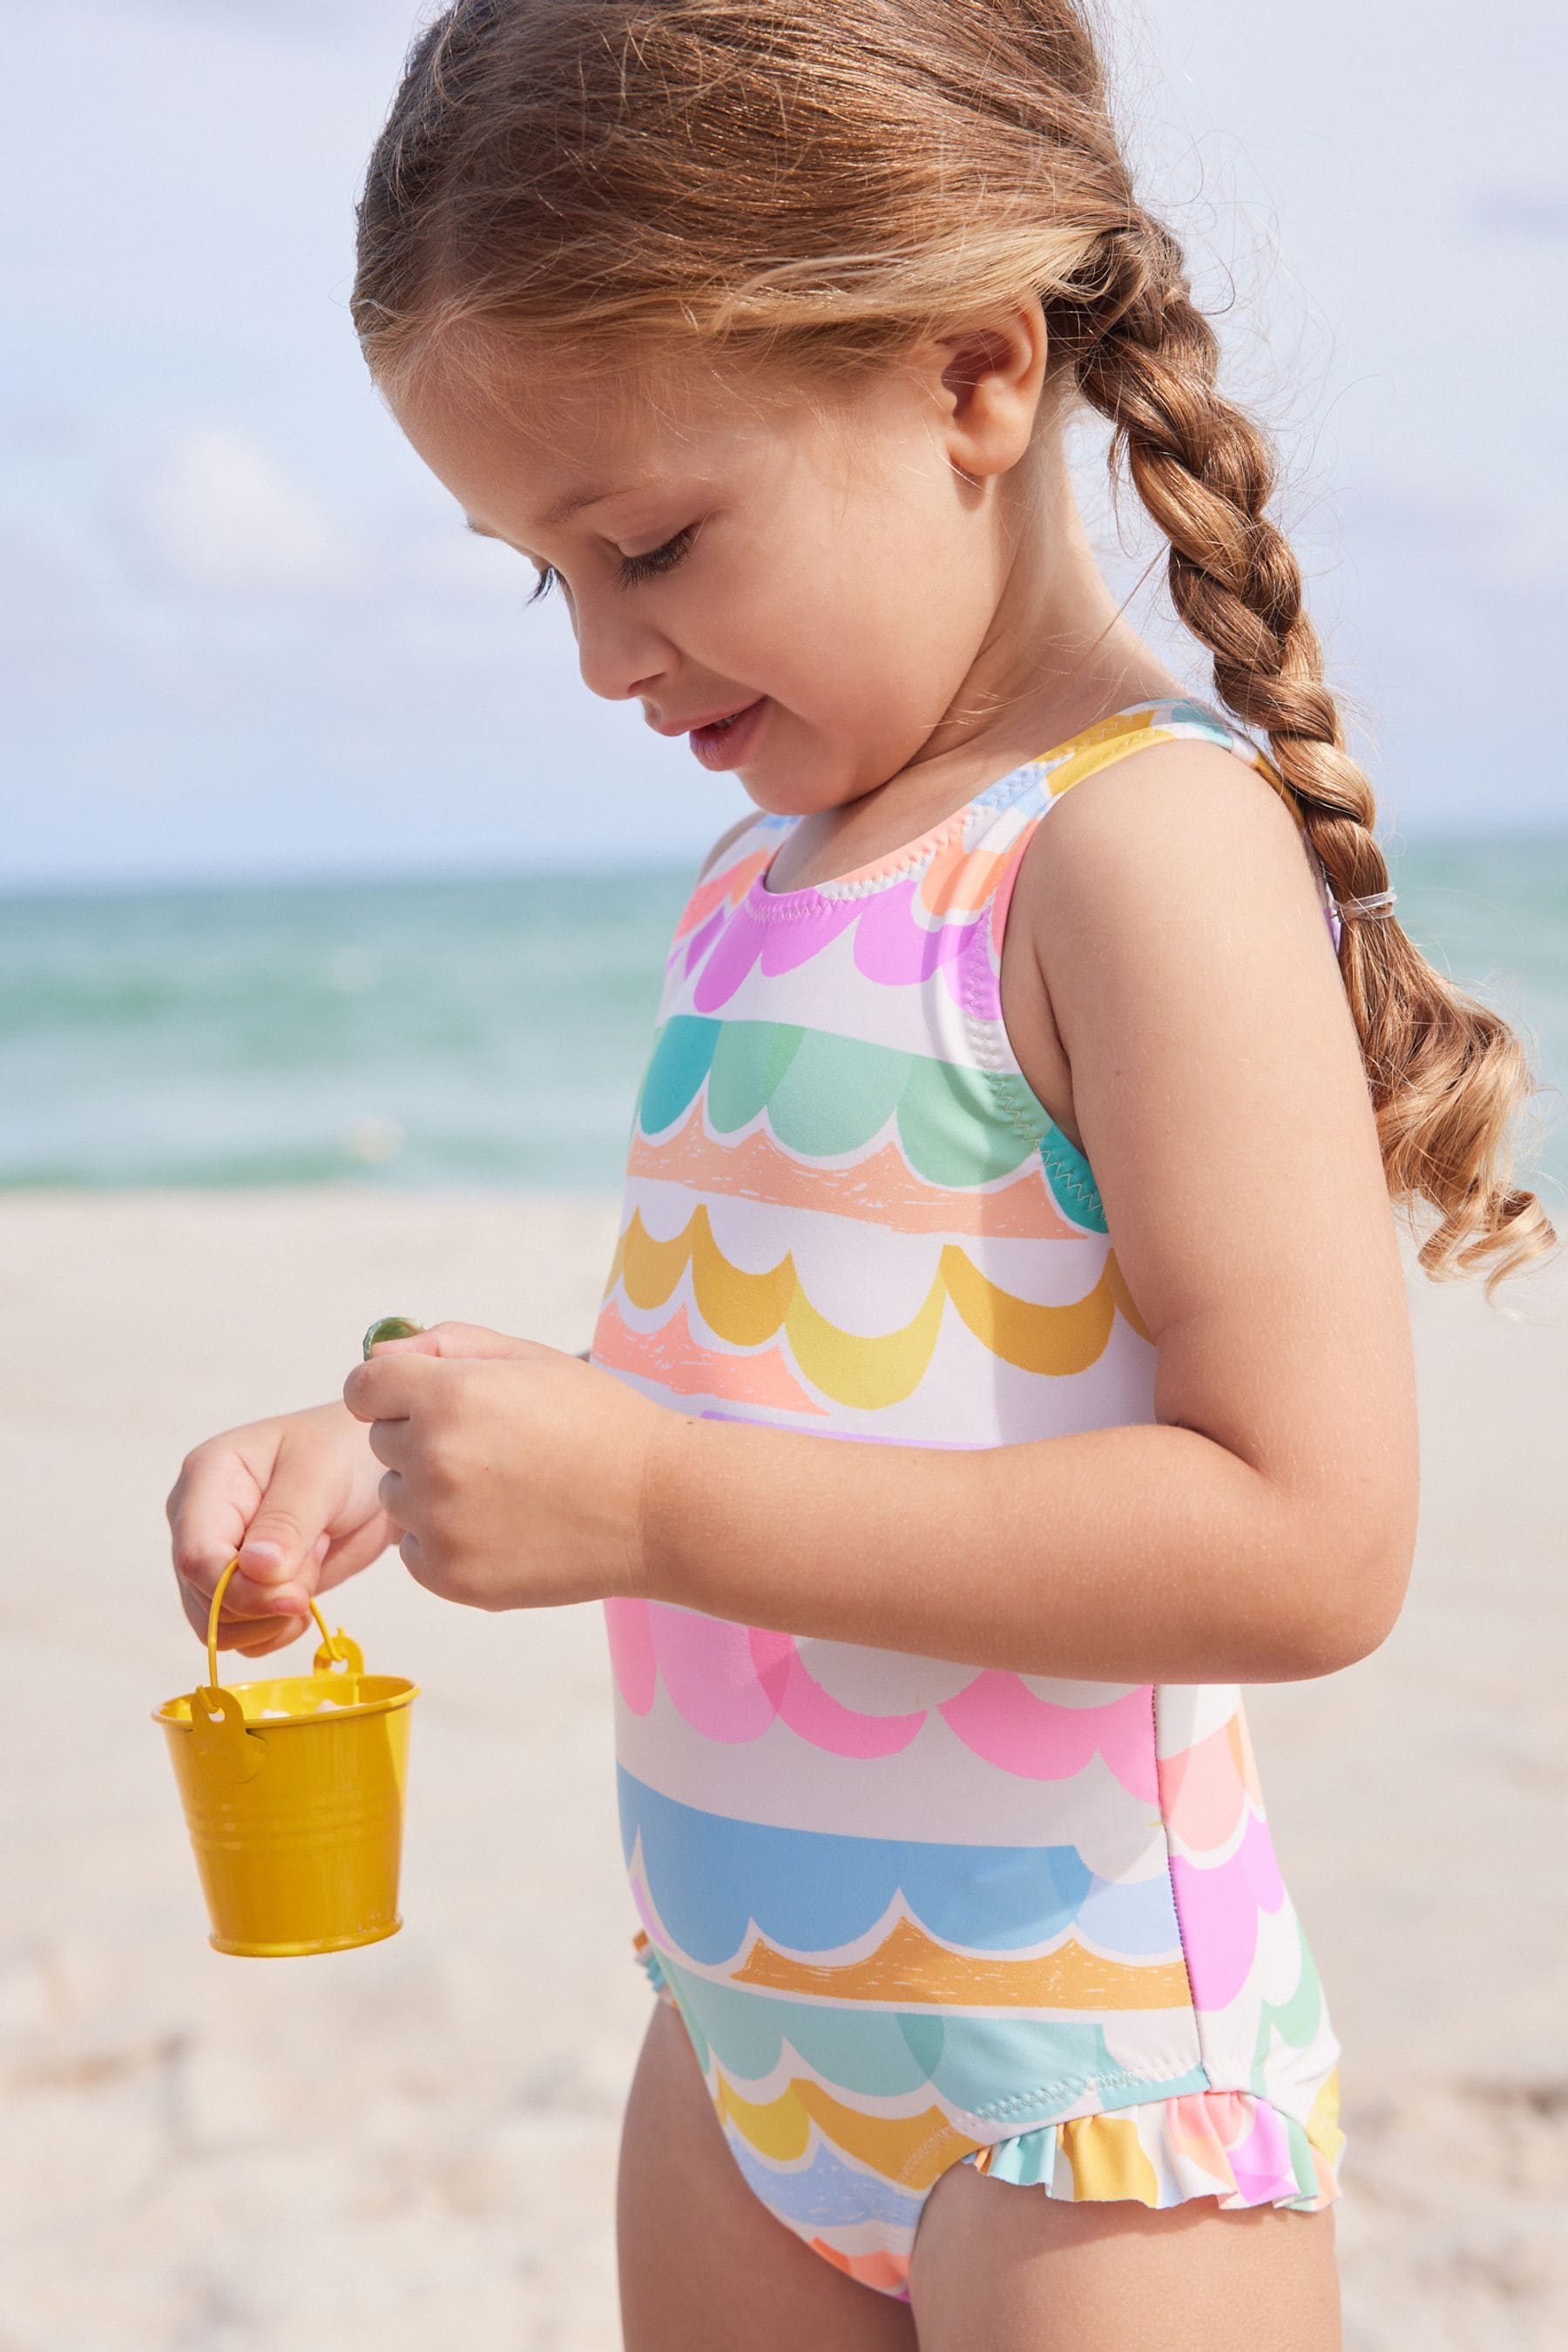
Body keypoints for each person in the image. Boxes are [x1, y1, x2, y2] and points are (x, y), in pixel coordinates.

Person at [165, 4, 1553, 2345]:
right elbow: (772, 1381)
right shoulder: (757, 872)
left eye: (650, 544)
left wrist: (657, 1504)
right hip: (736, 2041)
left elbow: (1311, 1540)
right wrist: (396, 1445)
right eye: (541, 576)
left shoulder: (1141, 848)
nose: (605, 651)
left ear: (974, 376)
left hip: (1082, 2100)